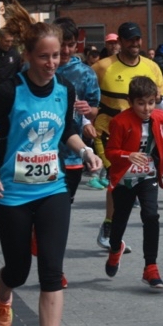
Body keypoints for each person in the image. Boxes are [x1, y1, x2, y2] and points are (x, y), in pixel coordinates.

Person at [0, 0, 102, 326]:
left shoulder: (65, 90)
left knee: (52, 272)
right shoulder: (9, 91)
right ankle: (4, 289)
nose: (51, 64)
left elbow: (69, 133)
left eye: (56, 56)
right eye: (44, 57)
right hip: (10, 192)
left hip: (52, 188)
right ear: (28, 56)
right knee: (18, 268)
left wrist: (87, 152)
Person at [93, 22, 163, 250]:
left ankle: (113, 227)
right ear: (120, 42)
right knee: (116, 177)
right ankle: (109, 227)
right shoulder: (102, 67)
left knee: (134, 184)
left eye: (137, 39)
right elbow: (87, 94)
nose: (134, 44)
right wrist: (88, 119)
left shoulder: (152, 67)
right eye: (129, 40)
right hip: (110, 131)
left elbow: (162, 100)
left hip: (143, 133)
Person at [103, 76, 163, 288]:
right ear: (131, 102)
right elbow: (110, 152)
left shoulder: (160, 118)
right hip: (125, 178)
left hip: (147, 175)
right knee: (120, 219)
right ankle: (114, 248)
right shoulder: (120, 121)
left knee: (151, 215)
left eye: (151, 102)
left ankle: (151, 266)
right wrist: (127, 155)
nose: (147, 108)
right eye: (141, 103)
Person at [53, 17, 100, 201]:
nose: (65, 51)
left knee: (64, 204)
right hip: (40, 152)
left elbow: (94, 110)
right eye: (61, 45)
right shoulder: (38, 68)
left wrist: (88, 110)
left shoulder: (85, 72)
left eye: (70, 45)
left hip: (72, 152)